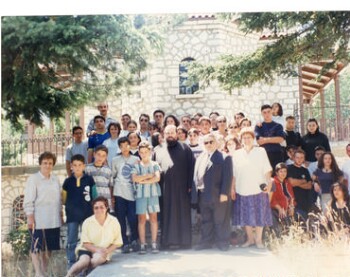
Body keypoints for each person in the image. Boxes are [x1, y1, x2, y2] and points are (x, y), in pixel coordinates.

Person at [153, 125, 195, 249]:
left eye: (172, 132)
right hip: (165, 188)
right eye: (167, 133)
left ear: (176, 134)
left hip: (182, 189)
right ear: (164, 134)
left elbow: (191, 167)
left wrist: (189, 186)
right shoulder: (158, 149)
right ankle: (167, 242)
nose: (170, 135)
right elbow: (154, 168)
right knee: (167, 214)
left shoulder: (185, 148)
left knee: (183, 214)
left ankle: (185, 242)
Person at [231, 127, 273, 249]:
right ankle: (250, 239)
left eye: (249, 137)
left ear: (253, 139)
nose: (246, 140)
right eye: (244, 138)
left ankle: (258, 240)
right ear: (241, 140)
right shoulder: (237, 154)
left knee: (260, 215)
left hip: (258, 188)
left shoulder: (261, 151)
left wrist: (268, 183)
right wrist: (232, 188)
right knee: (245, 217)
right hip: (242, 189)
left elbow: (267, 169)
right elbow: (233, 173)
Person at [23, 152, 62, 277]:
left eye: (50, 163)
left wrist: (61, 214)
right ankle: (38, 272)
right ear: (40, 164)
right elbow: (29, 200)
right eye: (45, 163)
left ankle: (44, 271)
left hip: (53, 219)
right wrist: (30, 217)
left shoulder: (55, 179)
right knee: (36, 248)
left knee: (49, 248)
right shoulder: (33, 179)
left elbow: (59, 199)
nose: (47, 165)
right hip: (39, 219)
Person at [192, 134, 233, 251]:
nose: (209, 144)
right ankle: (206, 242)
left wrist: (225, 193)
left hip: (218, 194)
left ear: (216, 143)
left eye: (211, 142)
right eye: (206, 143)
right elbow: (196, 176)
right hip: (203, 195)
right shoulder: (200, 157)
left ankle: (223, 243)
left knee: (220, 220)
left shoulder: (225, 157)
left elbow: (228, 177)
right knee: (206, 220)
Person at [65, 196, 122, 277]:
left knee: (98, 259)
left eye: (102, 207)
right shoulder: (87, 222)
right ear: (93, 209)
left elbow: (117, 242)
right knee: (84, 261)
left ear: (106, 208)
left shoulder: (114, 221)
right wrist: (97, 250)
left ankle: (85, 271)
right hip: (86, 249)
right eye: (96, 208)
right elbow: (85, 243)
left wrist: (107, 251)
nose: (99, 210)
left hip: (103, 251)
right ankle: (69, 274)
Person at [62, 154, 97, 270]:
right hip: (72, 216)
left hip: (87, 214)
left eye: (80, 165)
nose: (77, 167)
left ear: (84, 166)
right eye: (75, 165)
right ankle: (71, 263)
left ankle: (88, 262)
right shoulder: (67, 182)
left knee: (87, 239)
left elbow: (94, 196)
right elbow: (63, 199)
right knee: (71, 240)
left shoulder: (89, 180)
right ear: (71, 166)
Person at [131, 141, 162, 254]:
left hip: (153, 194)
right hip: (141, 195)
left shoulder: (154, 164)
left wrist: (142, 180)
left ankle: (154, 243)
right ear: (139, 152)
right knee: (141, 219)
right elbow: (135, 178)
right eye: (142, 152)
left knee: (153, 218)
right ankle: (143, 244)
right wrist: (149, 176)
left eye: (146, 152)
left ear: (150, 152)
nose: (144, 154)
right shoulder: (136, 165)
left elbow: (157, 178)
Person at [111, 137, 140, 254]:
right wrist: (112, 195)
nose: (124, 148)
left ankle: (134, 239)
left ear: (130, 145)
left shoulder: (136, 159)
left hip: (132, 192)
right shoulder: (115, 160)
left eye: (126, 145)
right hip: (119, 192)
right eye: (121, 146)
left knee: (133, 218)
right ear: (119, 147)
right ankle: (124, 242)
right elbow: (113, 176)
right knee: (121, 219)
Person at [255, 104, 285, 170]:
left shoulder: (278, 126)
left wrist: (265, 139)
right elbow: (259, 141)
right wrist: (274, 139)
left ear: (272, 112)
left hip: (277, 154)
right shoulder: (259, 126)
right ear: (262, 114)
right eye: (264, 112)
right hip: (263, 155)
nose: (267, 114)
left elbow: (280, 139)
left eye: (268, 111)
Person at [287, 150, 314, 221]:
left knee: (305, 222)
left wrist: (297, 183)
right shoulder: (289, 168)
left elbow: (309, 185)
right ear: (293, 158)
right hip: (294, 200)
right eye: (297, 157)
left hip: (306, 200)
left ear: (304, 159)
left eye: (301, 158)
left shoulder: (305, 170)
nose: (299, 160)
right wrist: (303, 181)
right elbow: (291, 183)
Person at [270, 163, 296, 237]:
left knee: (299, 215)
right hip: (275, 209)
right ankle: (278, 238)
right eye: (281, 171)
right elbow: (271, 199)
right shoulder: (273, 182)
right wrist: (279, 208)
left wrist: (291, 207)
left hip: (287, 209)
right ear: (276, 172)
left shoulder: (287, 182)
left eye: (285, 171)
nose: (283, 173)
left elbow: (292, 197)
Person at [85, 145, 114, 211]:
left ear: (106, 157)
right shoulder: (87, 169)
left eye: (103, 156)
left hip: (106, 200)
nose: (100, 158)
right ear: (94, 154)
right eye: (98, 155)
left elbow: (111, 186)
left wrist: (111, 200)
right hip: (93, 201)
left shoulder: (108, 170)